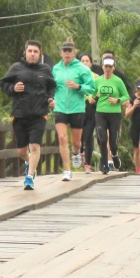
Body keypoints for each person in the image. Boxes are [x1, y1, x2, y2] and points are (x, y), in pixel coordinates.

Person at [0, 39, 55, 190]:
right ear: (25, 53)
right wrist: (13, 88)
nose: (32, 54)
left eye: (35, 52)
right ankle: (29, 162)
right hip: (20, 114)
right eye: (30, 51)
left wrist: (51, 99)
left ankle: (29, 178)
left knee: (35, 146)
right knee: (22, 151)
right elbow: (3, 84)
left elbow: (52, 87)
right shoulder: (16, 68)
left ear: (40, 54)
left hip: (39, 115)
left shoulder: (45, 70)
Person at [52, 39, 95, 182]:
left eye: (69, 50)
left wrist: (78, 87)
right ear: (61, 53)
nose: (67, 53)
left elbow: (91, 88)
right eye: (64, 50)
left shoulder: (82, 69)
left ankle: (76, 152)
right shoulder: (56, 69)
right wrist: (50, 98)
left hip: (77, 109)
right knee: (62, 138)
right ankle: (67, 170)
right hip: (60, 108)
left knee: (76, 143)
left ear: (74, 52)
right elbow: (52, 86)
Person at [93, 57, 130, 174]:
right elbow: (92, 93)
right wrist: (91, 98)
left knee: (113, 142)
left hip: (114, 114)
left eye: (110, 66)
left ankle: (114, 154)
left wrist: (117, 100)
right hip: (101, 112)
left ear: (113, 68)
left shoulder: (118, 81)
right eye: (106, 66)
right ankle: (104, 163)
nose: (108, 69)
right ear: (102, 67)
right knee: (102, 139)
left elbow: (126, 96)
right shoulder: (98, 80)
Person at [101, 49, 133, 170]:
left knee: (111, 137)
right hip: (100, 112)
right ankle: (105, 160)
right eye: (104, 59)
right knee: (102, 137)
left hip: (114, 111)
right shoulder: (99, 75)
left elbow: (129, 92)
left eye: (109, 59)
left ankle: (110, 160)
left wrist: (122, 101)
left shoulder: (119, 76)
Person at [78, 53, 98, 174]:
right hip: (79, 108)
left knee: (88, 136)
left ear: (90, 64)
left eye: (87, 61)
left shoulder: (96, 77)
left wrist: (93, 98)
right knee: (79, 135)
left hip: (91, 109)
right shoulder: (77, 77)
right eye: (82, 61)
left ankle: (88, 164)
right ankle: (80, 153)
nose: (85, 63)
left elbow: (99, 91)